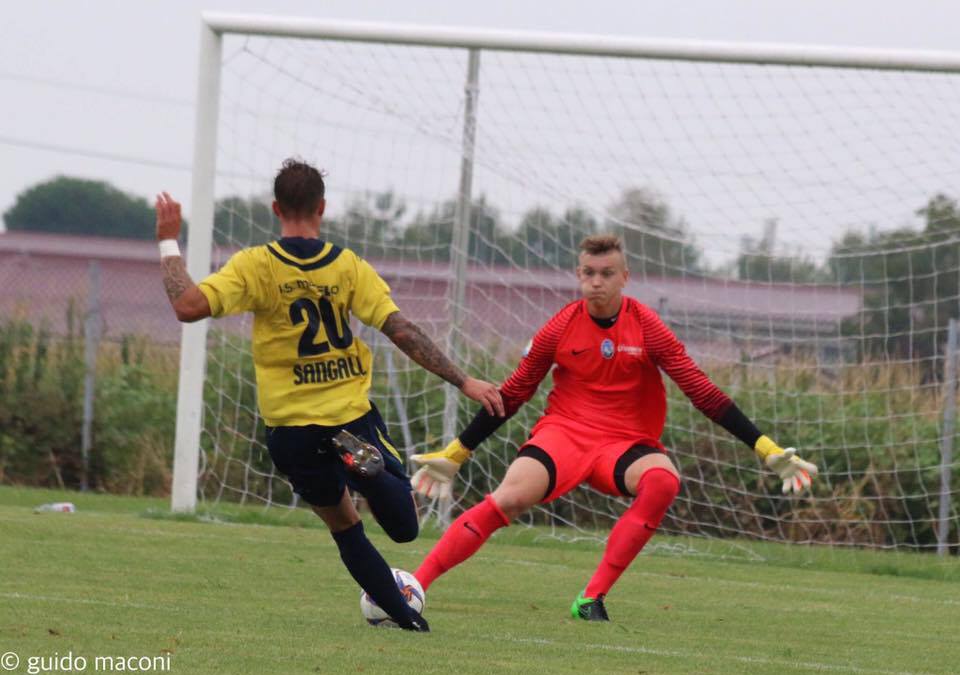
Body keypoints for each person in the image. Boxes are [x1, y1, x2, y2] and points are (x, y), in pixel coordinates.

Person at [156, 158, 504, 632]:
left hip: (291, 430)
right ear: (323, 208)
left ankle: (406, 620)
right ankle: (370, 473)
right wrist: (465, 381)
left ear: (275, 208)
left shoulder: (255, 266)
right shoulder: (346, 266)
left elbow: (187, 306)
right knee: (404, 528)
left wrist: (168, 238)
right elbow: (401, 330)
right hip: (349, 417)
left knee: (345, 527)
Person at [409, 234, 817, 622]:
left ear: (625, 277)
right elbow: (514, 394)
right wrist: (457, 452)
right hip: (564, 434)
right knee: (509, 498)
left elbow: (702, 392)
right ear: (578, 276)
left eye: (606, 273)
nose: (596, 282)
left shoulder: (647, 326)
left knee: (663, 482)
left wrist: (764, 446)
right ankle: (412, 587)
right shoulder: (559, 327)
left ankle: (591, 598)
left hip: (625, 444)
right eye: (588, 273)